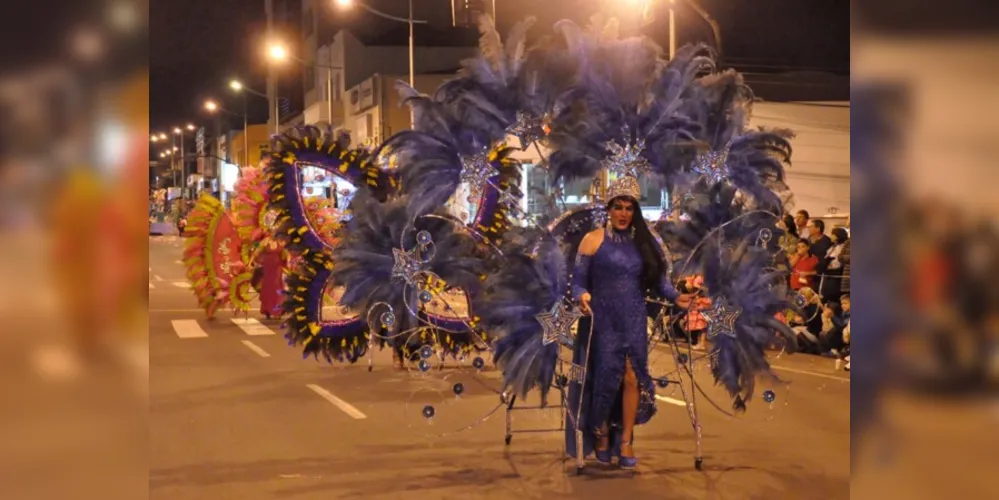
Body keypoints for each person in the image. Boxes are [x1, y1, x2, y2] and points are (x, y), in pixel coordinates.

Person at [570, 189, 703, 469]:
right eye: (618, 207)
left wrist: (675, 296)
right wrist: (581, 295)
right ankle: (602, 433)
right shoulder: (592, 240)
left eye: (629, 209)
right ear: (608, 209)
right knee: (606, 376)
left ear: (636, 212)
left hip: (633, 317)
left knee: (632, 378)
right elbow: (578, 281)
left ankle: (627, 439)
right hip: (602, 319)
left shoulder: (644, 242)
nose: (623, 214)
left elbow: (659, 281)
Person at [254, 238, 287, 319]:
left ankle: (277, 310)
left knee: (277, 286)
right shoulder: (265, 241)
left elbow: (286, 254)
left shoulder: (281, 240)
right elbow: (256, 253)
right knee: (267, 288)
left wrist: (288, 263)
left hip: (277, 267)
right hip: (267, 267)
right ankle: (267, 310)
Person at [820, 227, 850, 302]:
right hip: (827, 272)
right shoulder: (833, 246)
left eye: (833, 234)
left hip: (836, 272)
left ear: (838, 236)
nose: (831, 236)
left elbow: (840, 258)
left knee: (833, 295)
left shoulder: (843, 246)